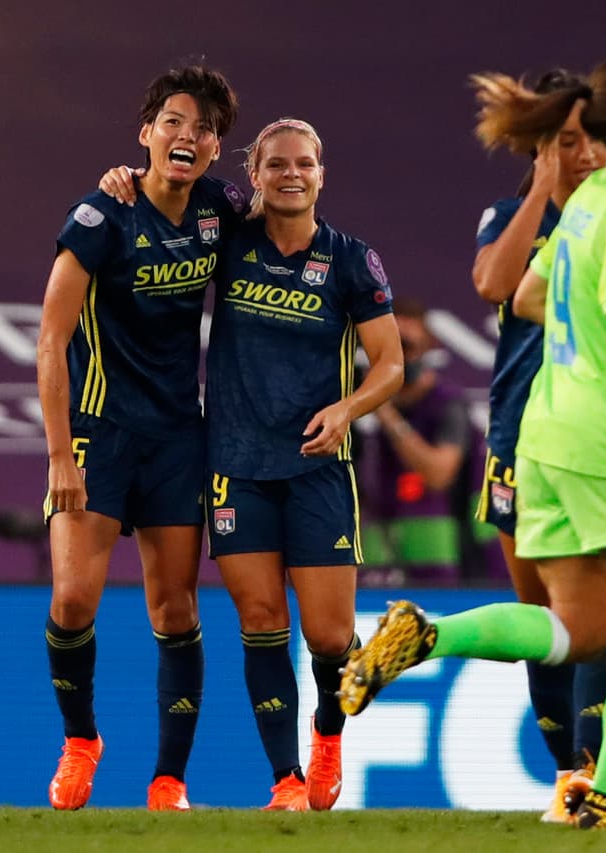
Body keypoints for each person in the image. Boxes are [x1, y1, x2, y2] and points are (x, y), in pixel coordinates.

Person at [340, 57, 606, 831]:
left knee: (582, 629)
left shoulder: (589, 202)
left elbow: (529, 294)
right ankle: (605, 795)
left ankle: (427, 632)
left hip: (544, 437)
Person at [35, 64, 242, 812]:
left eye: (204, 128)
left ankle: (169, 781)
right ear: (146, 133)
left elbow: (284, 223)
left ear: (217, 149)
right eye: (175, 122)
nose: (188, 137)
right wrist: (61, 451)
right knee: (72, 600)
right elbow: (51, 339)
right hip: (97, 431)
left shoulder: (221, 210)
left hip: (177, 437)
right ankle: (81, 738)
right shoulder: (99, 218)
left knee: (176, 612)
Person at [204, 117, 403, 810]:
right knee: (260, 619)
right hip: (235, 462)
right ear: (254, 176)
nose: (292, 174)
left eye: (305, 164)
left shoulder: (351, 260)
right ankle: (285, 780)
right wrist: (121, 182)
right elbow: (163, 202)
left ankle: (327, 734)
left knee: (327, 635)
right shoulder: (227, 243)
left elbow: (391, 365)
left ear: (323, 174)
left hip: (319, 466)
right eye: (277, 164)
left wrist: (347, 410)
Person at [470, 68, 606, 822]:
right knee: (547, 625)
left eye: (592, 137)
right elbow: (494, 285)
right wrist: (541, 187)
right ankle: (569, 774)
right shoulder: (509, 214)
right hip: (518, 442)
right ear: (538, 146)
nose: (583, 152)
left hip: (602, 440)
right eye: (566, 140)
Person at [361, 297, 475, 587]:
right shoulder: (352, 403)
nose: (396, 356)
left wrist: (387, 414)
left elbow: (439, 474)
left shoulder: (448, 404)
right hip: (376, 560)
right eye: (387, 347)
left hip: (440, 563)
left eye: (406, 346)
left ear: (427, 349)